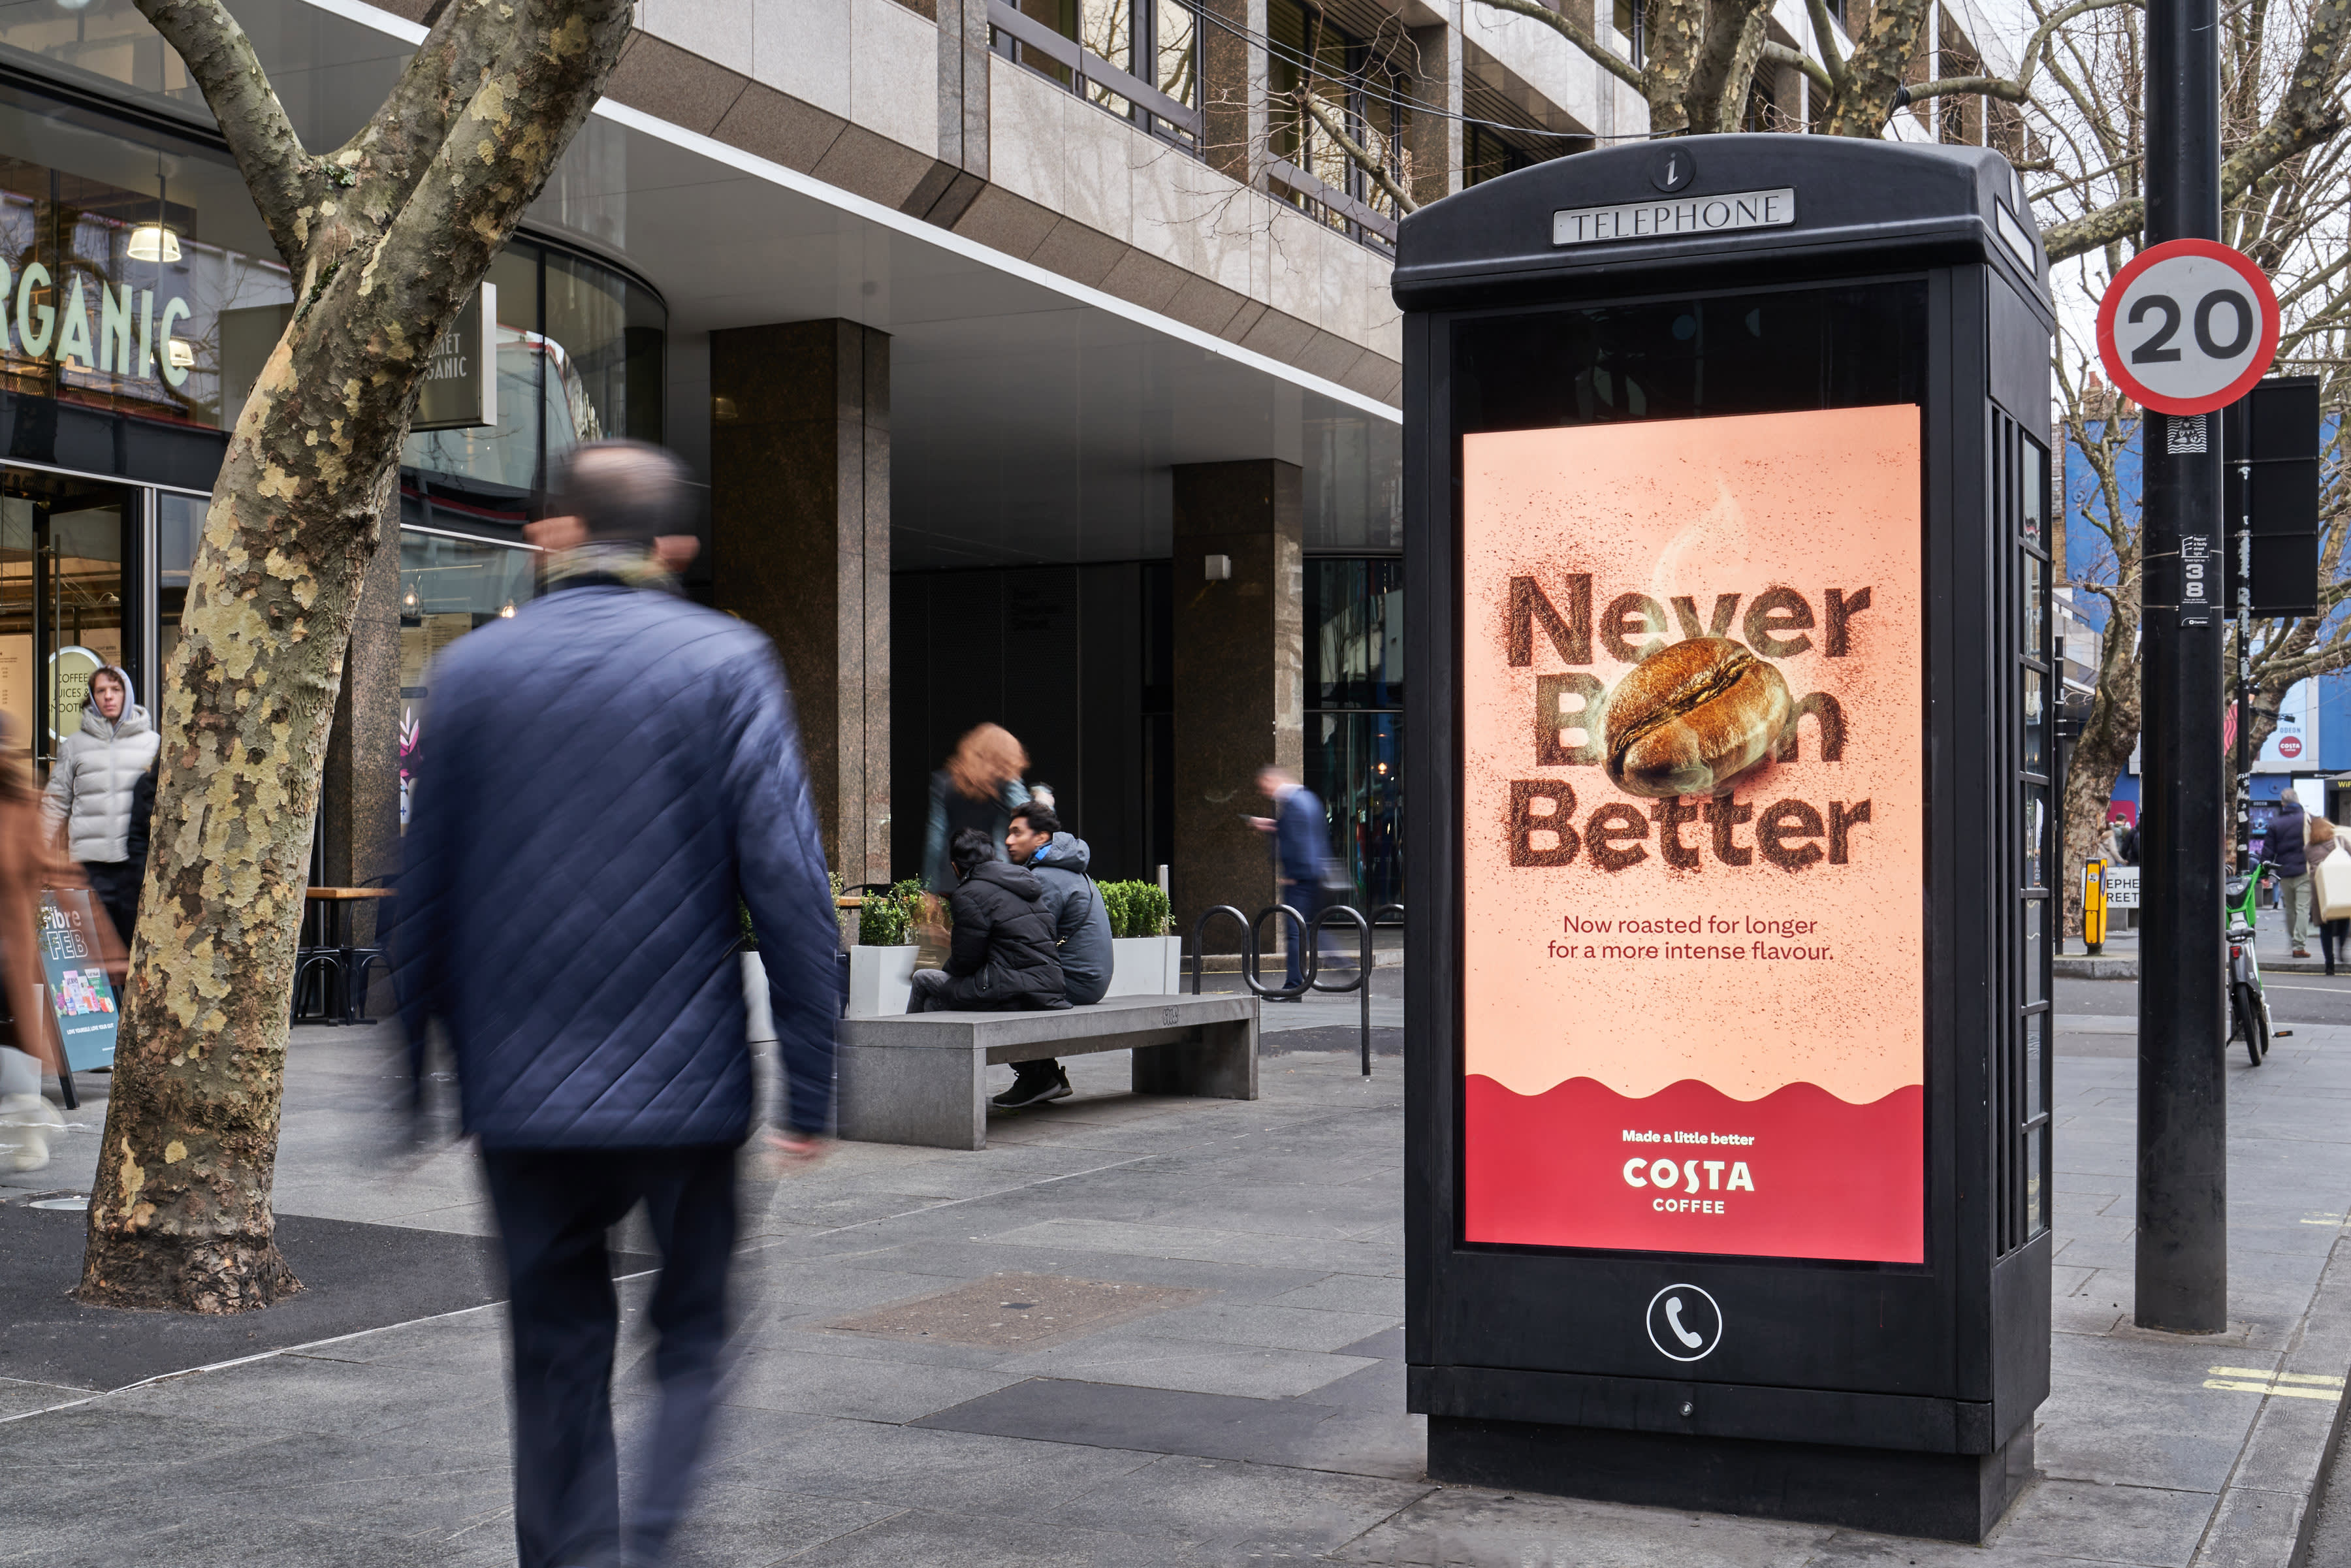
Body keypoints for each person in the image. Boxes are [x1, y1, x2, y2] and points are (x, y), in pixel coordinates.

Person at [393, 439, 839, 1568]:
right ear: (672, 544)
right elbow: (789, 889)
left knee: (553, 1351)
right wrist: (815, 1083)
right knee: (690, 1335)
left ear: (557, 533)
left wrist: (411, 1077)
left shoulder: (473, 673)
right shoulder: (728, 662)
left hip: (520, 1092)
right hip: (685, 1092)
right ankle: (643, 1546)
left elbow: (422, 892)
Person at [0, 718, 82, 1172]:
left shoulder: (21, 803)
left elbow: (58, 873)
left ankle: (26, 1118)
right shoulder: (22, 802)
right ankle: (25, 1118)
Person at [993, 801, 1112, 1109]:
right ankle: (1047, 1077)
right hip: (1087, 977)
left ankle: (1037, 1076)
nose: (1009, 840)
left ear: (1042, 838)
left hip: (1076, 981)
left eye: (1017, 833)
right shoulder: (1065, 868)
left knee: (997, 992)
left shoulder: (1044, 878)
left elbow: (1027, 945)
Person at [907, 827, 1070, 1029]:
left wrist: (948, 962)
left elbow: (966, 960)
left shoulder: (968, 894)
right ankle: (1041, 1062)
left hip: (1011, 990)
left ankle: (900, 1054)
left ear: (955, 867)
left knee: (922, 978)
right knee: (934, 1003)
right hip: (1050, 988)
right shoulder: (1024, 881)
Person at [43, 665, 159, 949]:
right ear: (92, 698)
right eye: (101, 691)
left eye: (115, 690)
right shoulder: (75, 746)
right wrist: (37, 850)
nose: (108, 697)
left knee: (134, 947)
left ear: (127, 695)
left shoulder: (153, 744)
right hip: (89, 867)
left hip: (136, 867)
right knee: (93, 951)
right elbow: (56, 801)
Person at [1245, 765, 1341, 996]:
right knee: (1309, 925)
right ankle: (1340, 960)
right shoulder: (1308, 798)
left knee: (1296, 931)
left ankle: (1294, 986)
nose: (1264, 791)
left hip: (1301, 877)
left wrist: (1291, 875)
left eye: (1265, 785)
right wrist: (1273, 827)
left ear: (1273, 780)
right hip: (1315, 873)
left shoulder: (1293, 804)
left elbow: (1299, 841)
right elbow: (1307, 834)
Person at [922, 724, 1031, 895]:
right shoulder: (1006, 784)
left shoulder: (944, 783)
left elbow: (935, 841)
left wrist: (929, 888)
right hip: (994, 880)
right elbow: (1032, 816)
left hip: (950, 880)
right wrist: (1044, 798)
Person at [2272, 792, 2314, 957]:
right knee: (2303, 908)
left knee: (2290, 909)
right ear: (2298, 802)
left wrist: (2264, 869)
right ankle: (2299, 946)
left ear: (2283, 804)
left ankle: (2293, 941)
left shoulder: (2276, 822)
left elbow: (2269, 849)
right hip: (2304, 870)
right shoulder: (2307, 819)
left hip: (2284, 872)